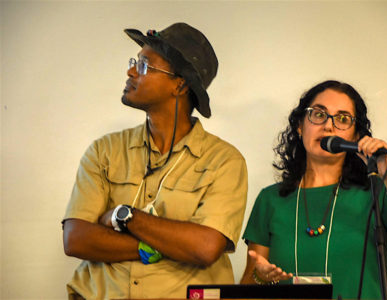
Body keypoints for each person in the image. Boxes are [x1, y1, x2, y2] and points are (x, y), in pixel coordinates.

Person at [62, 23, 248, 300]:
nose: (131, 71)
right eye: (134, 62)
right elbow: (76, 239)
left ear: (180, 84)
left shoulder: (224, 161)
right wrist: (154, 245)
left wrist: (123, 216)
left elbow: (204, 248)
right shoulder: (105, 151)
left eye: (145, 65)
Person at [240, 80, 387, 299]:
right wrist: (260, 278)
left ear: (355, 136)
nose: (328, 126)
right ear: (300, 125)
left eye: (343, 119)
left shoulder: (376, 190)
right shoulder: (270, 199)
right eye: (319, 114)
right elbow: (248, 284)